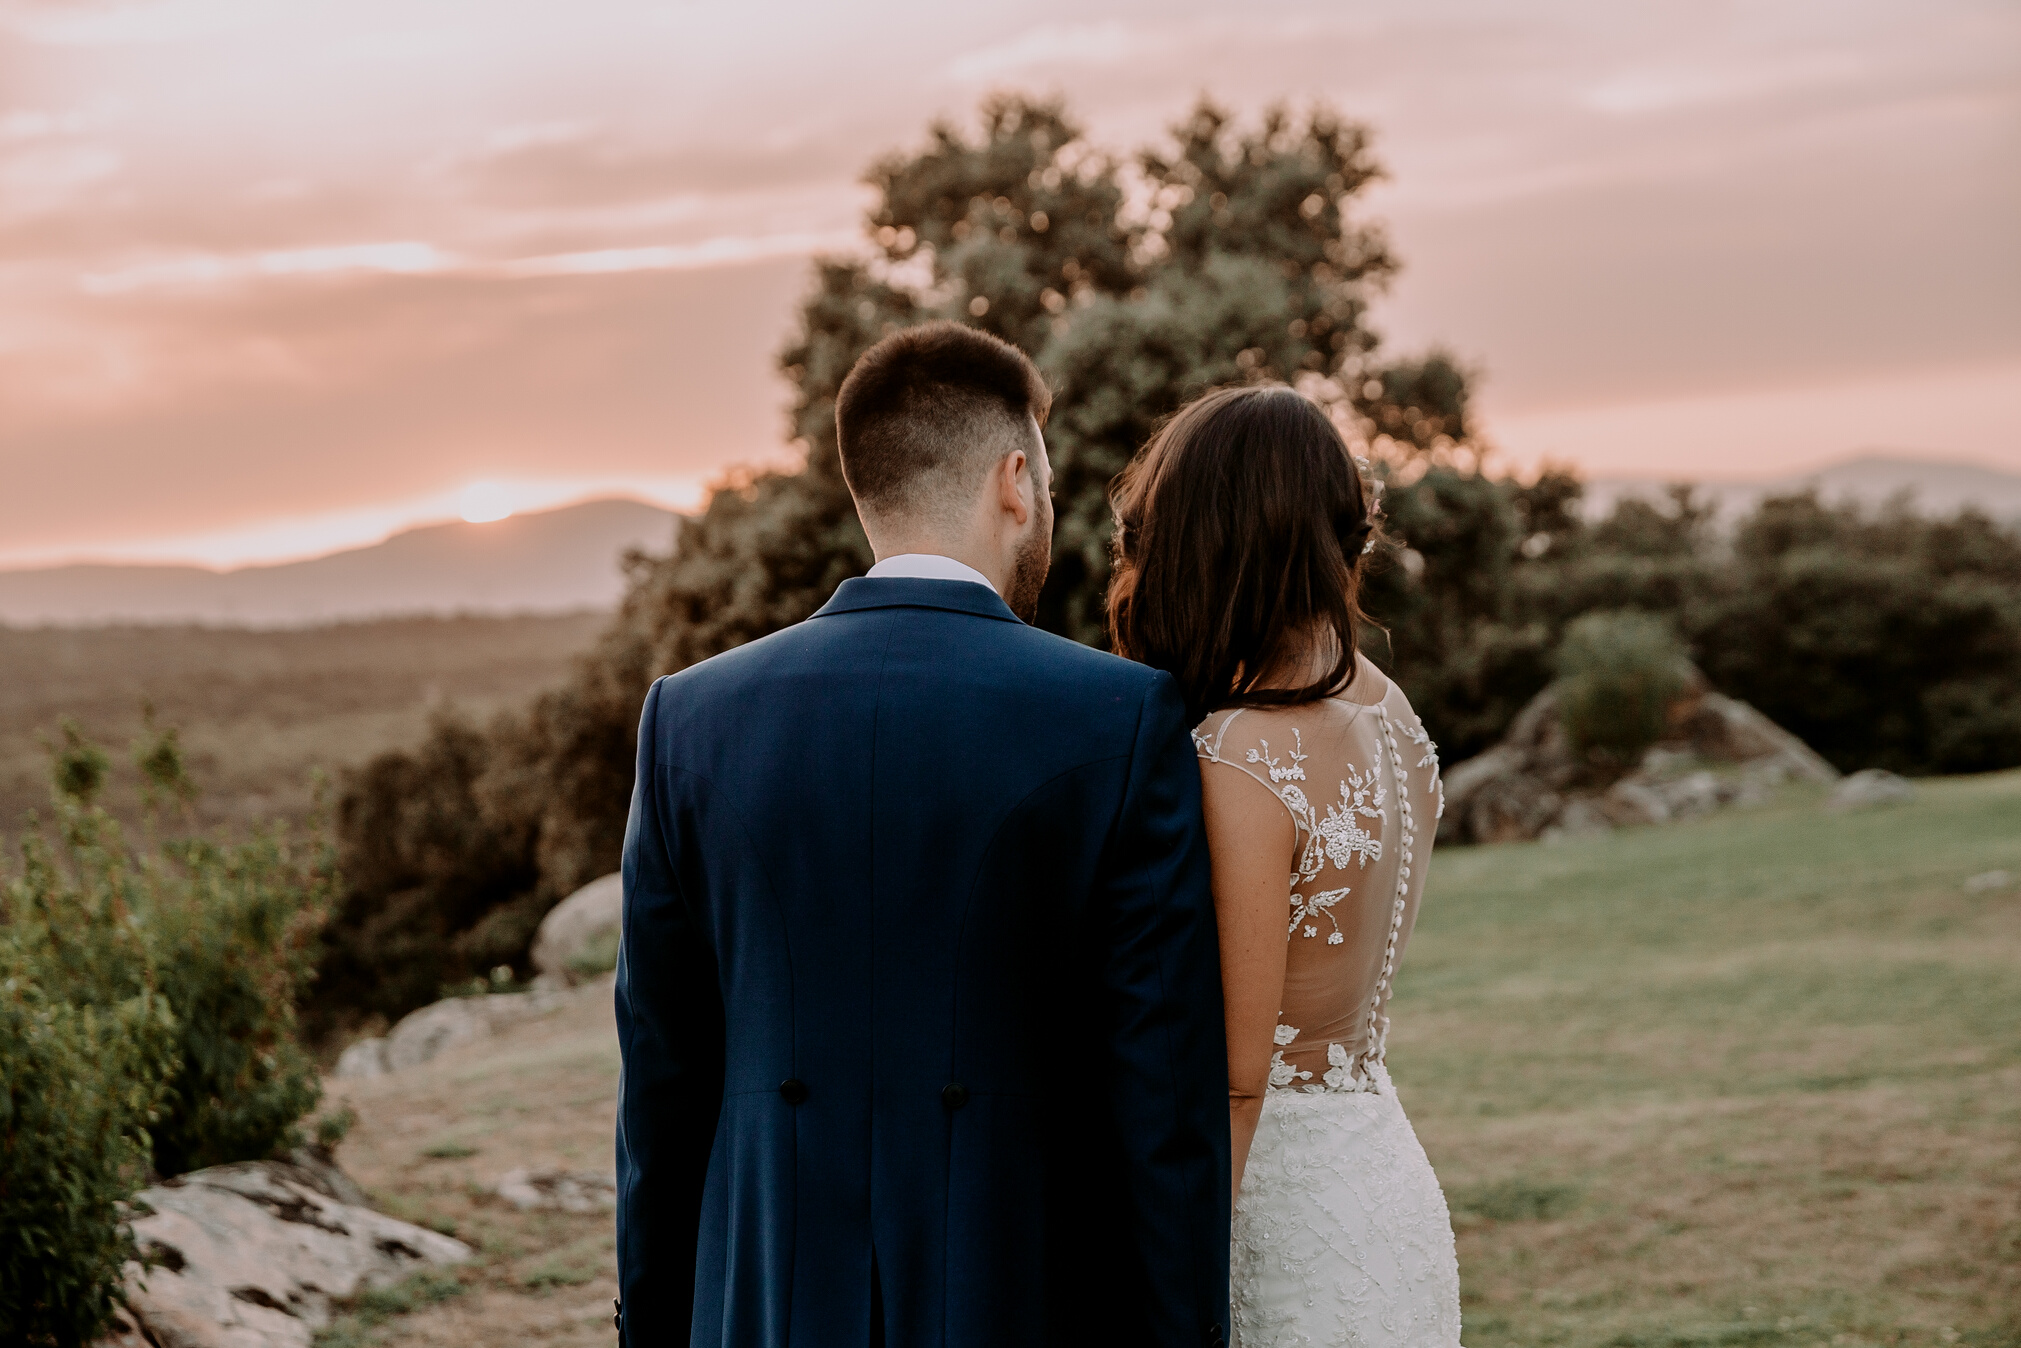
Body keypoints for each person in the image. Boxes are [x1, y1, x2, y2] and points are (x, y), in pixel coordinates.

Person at [614, 321, 1232, 1347]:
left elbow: (660, 1101)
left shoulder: (688, 719)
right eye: (1046, 477)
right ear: (1012, 481)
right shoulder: (1120, 718)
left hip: (761, 1303)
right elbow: (1159, 1111)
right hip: (1016, 1296)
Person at [1109, 385, 1463, 1347]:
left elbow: (1236, 1076)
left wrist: (1168, 1280)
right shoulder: (1392, 712)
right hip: (1383, 1184)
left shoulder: (1238, 752)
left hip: (1277, 1215)